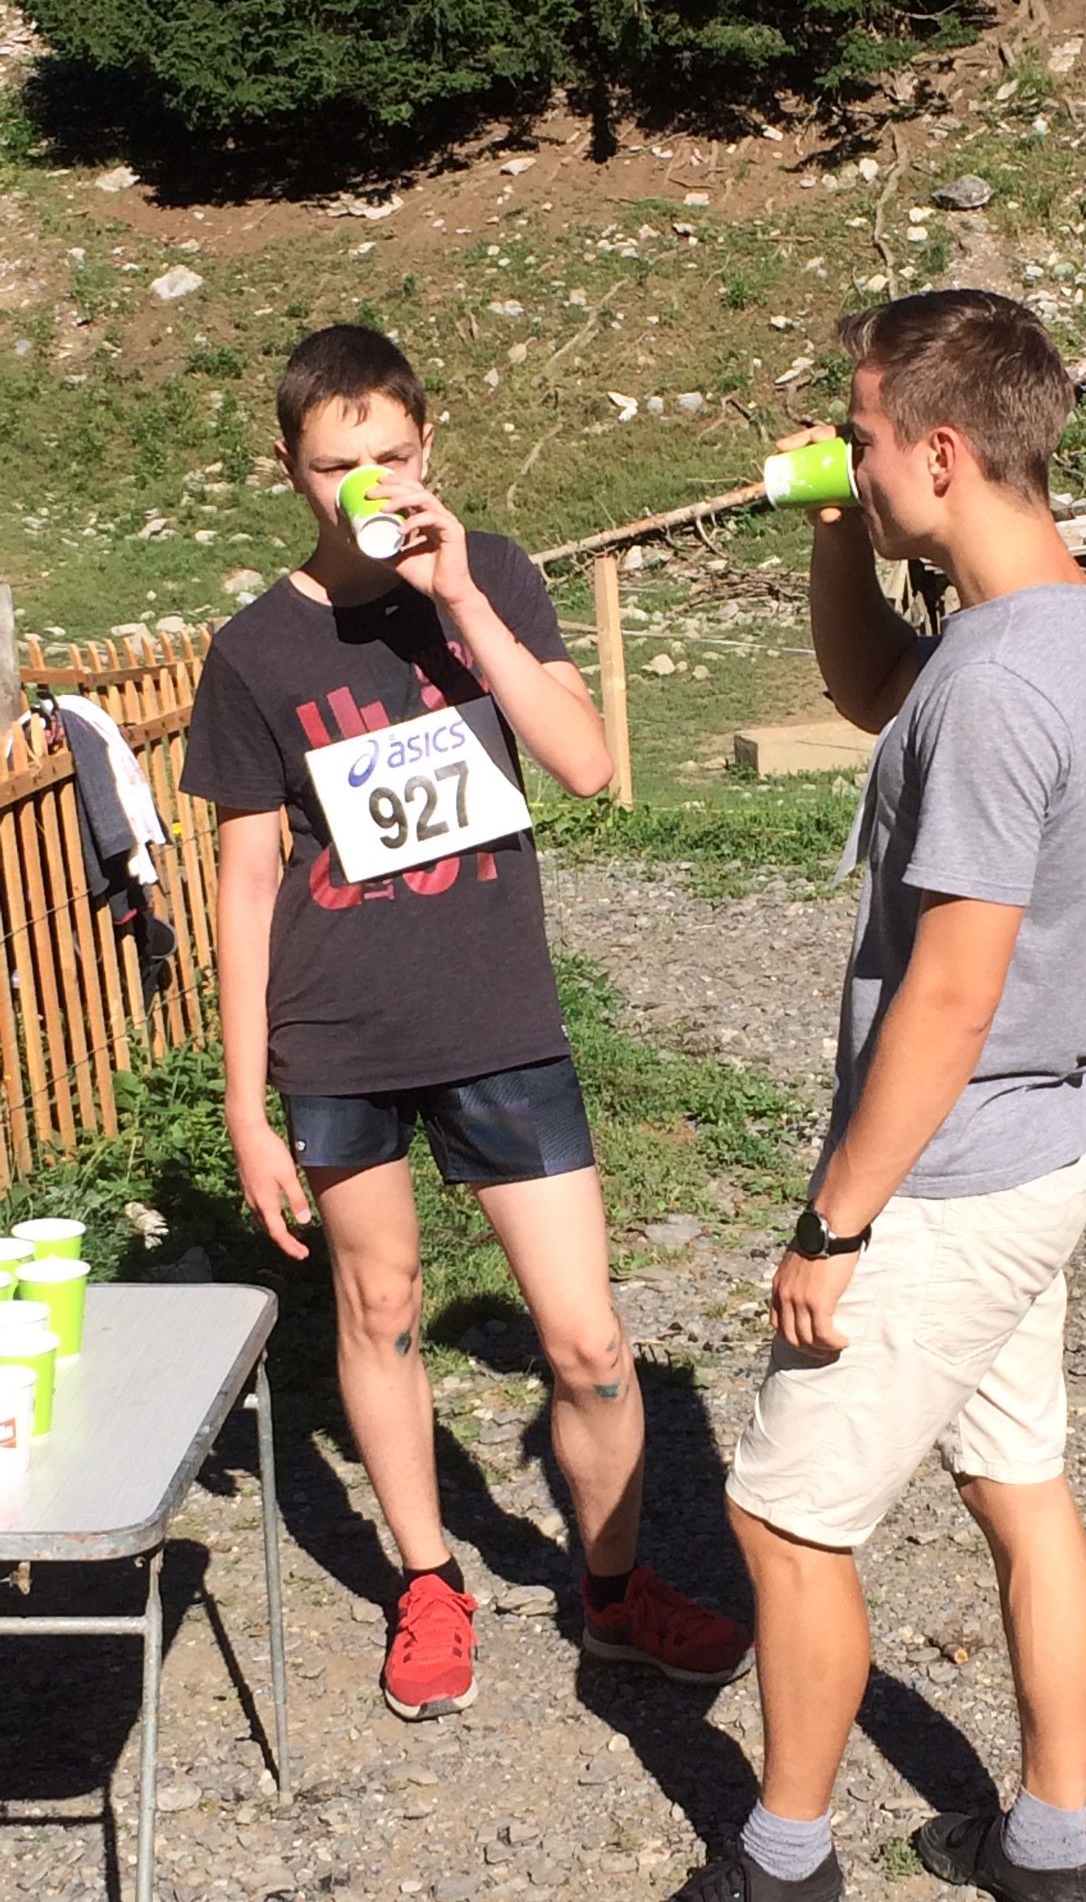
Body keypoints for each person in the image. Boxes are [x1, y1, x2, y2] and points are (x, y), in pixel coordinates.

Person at [182, 324, 751, 1722]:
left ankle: (613, 1595)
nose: (366, 486)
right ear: (289, 468)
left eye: (390, 456)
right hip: (339, 1033)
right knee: (378, 1310)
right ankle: (429, 1583)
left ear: (428, 445)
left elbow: (588, 761)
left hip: (499, 1020)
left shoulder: (492, 570)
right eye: (336, 466)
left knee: (590, 1343)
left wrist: (461, 602)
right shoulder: (253, 651)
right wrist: (246, 1105)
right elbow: (245, 881)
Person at [675, 290, 1086, 1902]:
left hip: (948, 1174)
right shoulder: (1069, 624)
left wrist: (833, 1226)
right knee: (1018, 1486)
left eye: (864, 439)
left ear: (940, 452)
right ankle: (1048, 1849)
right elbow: (874, 688)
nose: (851, 457)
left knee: (786, 1523)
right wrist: (836, 525)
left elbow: (951, 992)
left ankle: (786, 1862)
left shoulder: (1003, 686)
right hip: (1046, 1138)